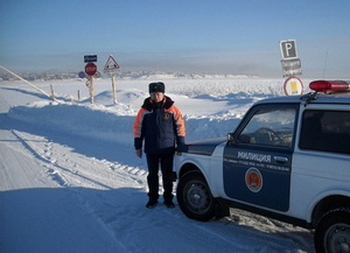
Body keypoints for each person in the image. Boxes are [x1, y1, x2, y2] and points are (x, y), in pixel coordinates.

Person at [133, 82, 186, 209]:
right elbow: (138, 128)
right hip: (151, 149)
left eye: (158, 93)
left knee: (167, 174)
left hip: (167, 148)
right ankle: (153, 198)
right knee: (152, 174)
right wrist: (138, 146)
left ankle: (168, 198)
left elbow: (180, 126)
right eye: (153, 94)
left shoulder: (172, 108)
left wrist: (181, 144)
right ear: (150, 94)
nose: (156, 96)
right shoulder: (144, 110)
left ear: (163, 94)